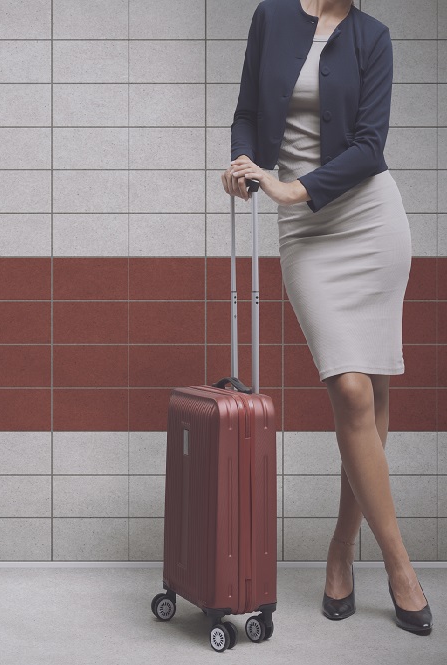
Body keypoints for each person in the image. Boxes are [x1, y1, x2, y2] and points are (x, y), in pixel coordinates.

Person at [222, 0, 431, 635]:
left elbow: (370, 146)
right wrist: (242, 163)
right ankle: (401, 567)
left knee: (368, 395)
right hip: (307, 235)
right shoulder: (273, 17)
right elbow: (249, 113)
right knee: (349, 387)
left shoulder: (374, 37)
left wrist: (296, 186)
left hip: (369, 219)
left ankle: (347, 550)